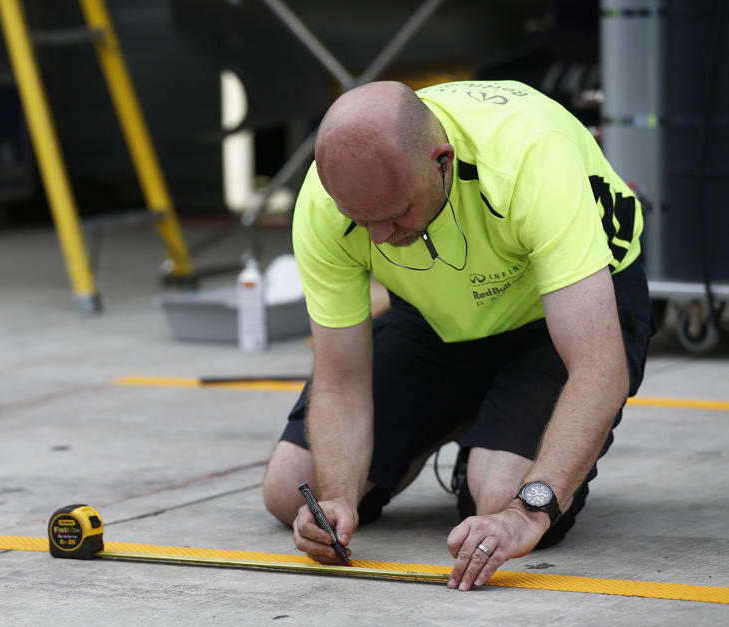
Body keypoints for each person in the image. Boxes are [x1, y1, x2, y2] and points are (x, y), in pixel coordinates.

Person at [261, 80, 656, 591]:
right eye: (359, 221)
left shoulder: (529, 155)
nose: (380, 237)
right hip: (440, 312)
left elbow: (598, 368)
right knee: (291, 492)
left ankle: (490, 426)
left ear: (441, 160)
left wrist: (527, 512)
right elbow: (340, 378)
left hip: (556, 318)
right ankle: (472, 411)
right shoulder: (324, 200)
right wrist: (339, 497)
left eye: (396, 212)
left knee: (500, 502)